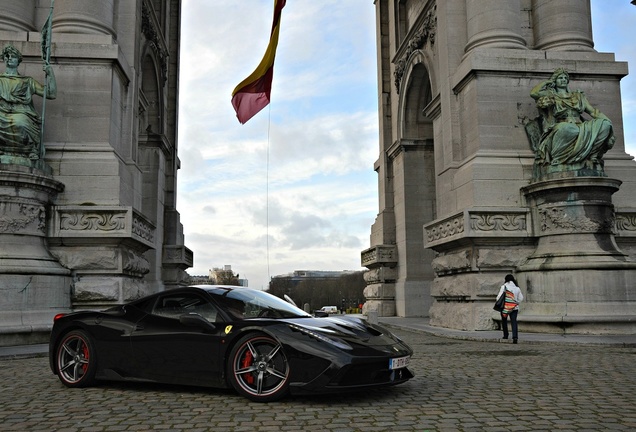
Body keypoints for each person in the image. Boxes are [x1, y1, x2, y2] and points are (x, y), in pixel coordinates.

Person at [529, 68, 614, 173]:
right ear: (555, 81)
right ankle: (559, 158)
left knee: (604, 124)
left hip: (580, 125)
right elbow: (534, 93)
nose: (563, 79)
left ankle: (593, 155)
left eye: (565, 78)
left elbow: (592, 112)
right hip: (562, 124)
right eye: (560, 78)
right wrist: (547, 82)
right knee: (567, 128)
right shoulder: (551, 95)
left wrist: (607, 121)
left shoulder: (578, 96)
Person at [0, 45, 57, 159]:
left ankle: (31, 149)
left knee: (21, 122)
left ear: (18, 60)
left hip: (21, 113)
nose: (10, 58)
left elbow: (51, 94)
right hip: (1, 112)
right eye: (7, 56)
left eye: (13, 56)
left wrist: (50, 74)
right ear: (4, 59)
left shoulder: (27, 81)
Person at [496, 274, 524, 343]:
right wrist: (515, 302)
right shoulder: (517, 288)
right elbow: (521, 298)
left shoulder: (504, 287)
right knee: (514, 321)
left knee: (504, 321)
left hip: (505, 307)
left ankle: (505, 335)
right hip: (514, 308)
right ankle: (515, 336)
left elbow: (498, 297)